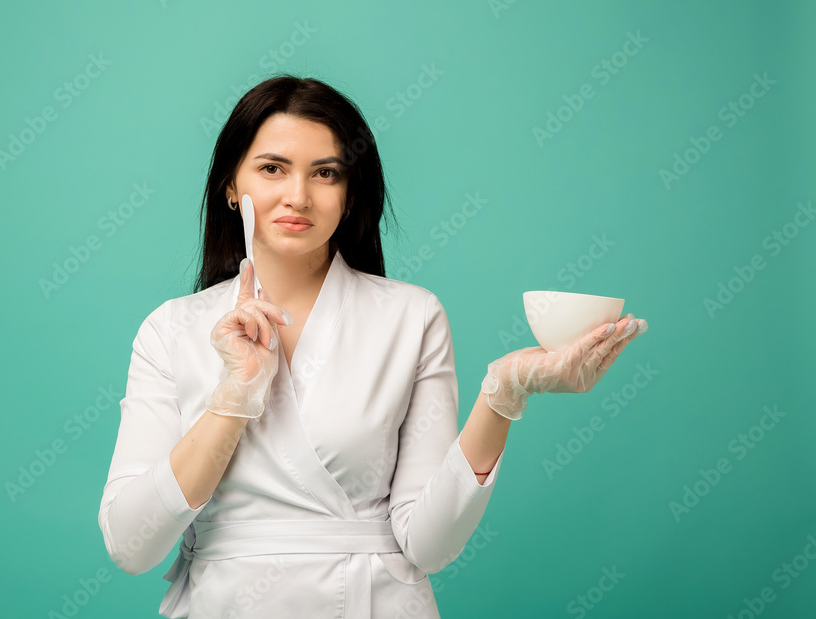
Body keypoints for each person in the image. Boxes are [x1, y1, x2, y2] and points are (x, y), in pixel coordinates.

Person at [96, 75, 648, 618]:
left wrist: (503, 395)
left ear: (350, 193)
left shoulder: (411, 316)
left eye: (325, 173)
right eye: (272, 168)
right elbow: (130, 545)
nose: (298, 196)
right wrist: (234, 397)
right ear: (231, 187)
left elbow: (430, 545)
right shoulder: (170, 330)